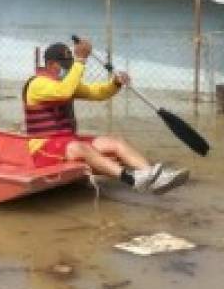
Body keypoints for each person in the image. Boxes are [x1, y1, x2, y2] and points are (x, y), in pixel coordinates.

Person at [24, 39, 188, 194]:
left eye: (71, 65)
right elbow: (64, 92)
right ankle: (132, 180)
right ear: (51, 65)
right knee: (80, 147)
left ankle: (153, 177)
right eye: (66, 66)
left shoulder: (65, 83)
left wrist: (115, 83)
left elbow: (97, 93)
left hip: (67, 142)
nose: (69, 69)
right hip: (44, 149)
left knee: (115, 143)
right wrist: (80, 60)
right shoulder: (37, 84)